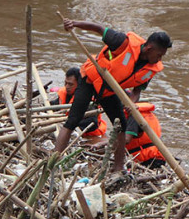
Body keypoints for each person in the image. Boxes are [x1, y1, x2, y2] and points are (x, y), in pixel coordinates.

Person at [54, 19, 171, 172]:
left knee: (121, 125)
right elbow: (98, 28)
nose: (159, 59)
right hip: (90, 80)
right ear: (149, 48)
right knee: (73, 119)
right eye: (159, 54)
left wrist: (131, 104)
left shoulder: (150, 68)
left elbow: (137, 90)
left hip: (109, 89)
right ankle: (53, 160)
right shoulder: (123, 42)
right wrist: (74, 24)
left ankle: (118, 167)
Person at [51, 67, 106, 140]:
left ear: (79, 84)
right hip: (69, 125)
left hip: (90, 135)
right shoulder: (64, 93)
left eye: (70, 84)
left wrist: (69, 123)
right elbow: (54, 105)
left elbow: (93, 123)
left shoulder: (88, 99)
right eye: (66, 83)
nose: (67, 87)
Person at [125, 102, 166, 168]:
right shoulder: (143, 112)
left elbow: (126, 140)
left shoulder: (133, 114)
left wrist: (108, 142)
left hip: (148, 159)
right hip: (157, 154)